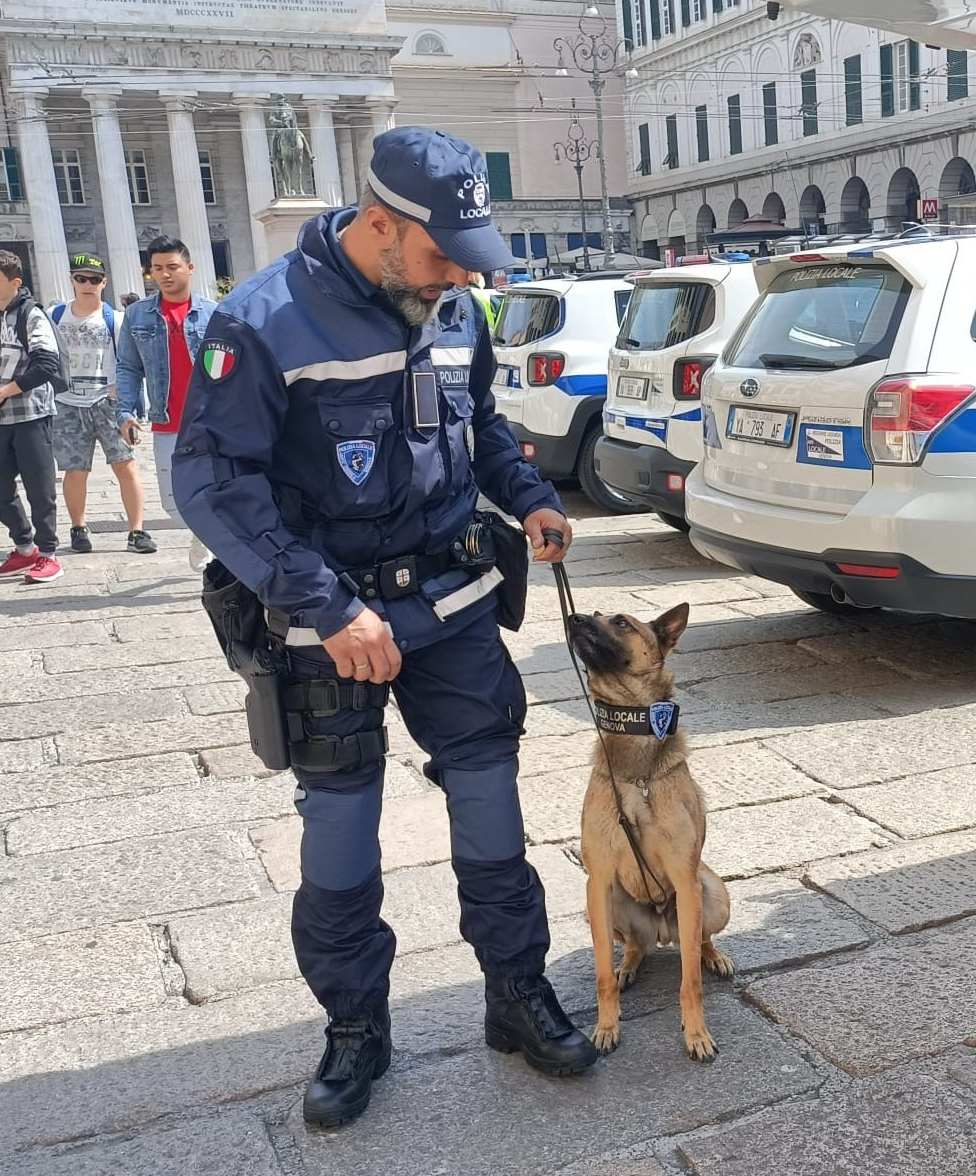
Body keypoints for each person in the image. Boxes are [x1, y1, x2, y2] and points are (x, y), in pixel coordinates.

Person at [173, 126, 597, 1129]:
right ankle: (355, 1029)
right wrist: (326, 608)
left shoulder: (452, 304)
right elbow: (210, 482)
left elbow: (478, 422)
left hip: (450, 603)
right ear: (378, 225)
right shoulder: (261, 320)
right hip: (331, 623)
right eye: (443, 253)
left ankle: (515, 994)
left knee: (490, 798)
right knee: (341, 827)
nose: (458, 276)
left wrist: (527, 493)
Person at [0, 250, 65, 584]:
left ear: (15, 283)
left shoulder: (32, 316)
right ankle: (24, 544)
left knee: (39, 485)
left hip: (31, 413)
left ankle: (48, 553)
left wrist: (1, 393)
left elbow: (46, 365)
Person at [116, 235, 215, 569]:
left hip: (210, 420)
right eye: (157, 269)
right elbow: (129, 367)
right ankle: (205, 532)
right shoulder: (138, 315)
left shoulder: (214, 314)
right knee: (172, 502)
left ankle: (214, 540)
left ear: (189, 267)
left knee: (216, 487)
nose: (165, 274)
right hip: (167, 420)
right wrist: (126, 413)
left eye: (172, 267)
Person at [51, 253, 155, 555]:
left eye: (94, 279)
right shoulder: (55, 316)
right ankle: (78, 526)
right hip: (67, 402)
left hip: (106, 399)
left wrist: (125, 399)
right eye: (81, 278)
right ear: (72, 280)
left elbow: (129, 361)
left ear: (103, 283)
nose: (87, 284)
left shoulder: (116, 319)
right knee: (74, 469)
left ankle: (137, 530)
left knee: (125, 464)